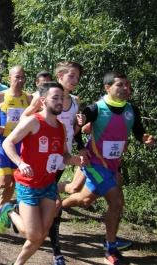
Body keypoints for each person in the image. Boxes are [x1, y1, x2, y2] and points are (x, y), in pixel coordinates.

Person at [63, 71, 154, 265]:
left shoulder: (132, 110)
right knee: (117, 201)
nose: (126, 89)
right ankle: (110, 250)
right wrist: (81, 148)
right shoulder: (95, 108)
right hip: (95, 163)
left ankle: (58, 206)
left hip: (114, 164)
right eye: (120, 85)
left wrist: (145, 139)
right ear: (108, 88)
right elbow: (76, 129)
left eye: (128, 85)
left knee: (85, 199)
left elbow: (138, 131)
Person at [0, 81, 86, 265]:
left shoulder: (61, 127)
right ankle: (10, 211)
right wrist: (20, 163)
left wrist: (74, 160)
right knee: (33, 233)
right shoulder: (33, 121)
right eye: (55, 98)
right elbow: (8, 143)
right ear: (43, 101)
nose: (60, 101)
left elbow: (64, 155)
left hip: (48, 185)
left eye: (61, 98)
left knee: (42, 234)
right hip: (28, 185)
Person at [20, 62, 84, 265]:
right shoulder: (45, 98)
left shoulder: (75, 101)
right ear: (60, 76)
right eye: (71, 76)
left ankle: (44, 238)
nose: (74, 81)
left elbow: (73, 130)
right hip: (39, 158)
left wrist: (79, 127)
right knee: (56, 205)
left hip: (60, 157)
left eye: (77, 77)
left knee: (53, 205)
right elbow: (24, 120)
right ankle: (57, 251)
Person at [0, 66, 33, 224]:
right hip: (2, 144)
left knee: (13, 181)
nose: (21, 80)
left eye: (23, 77)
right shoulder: (0, 96)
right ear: (9, 79)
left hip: (20, 146)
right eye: (17, 77)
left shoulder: (28, 98)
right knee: (4, 182)